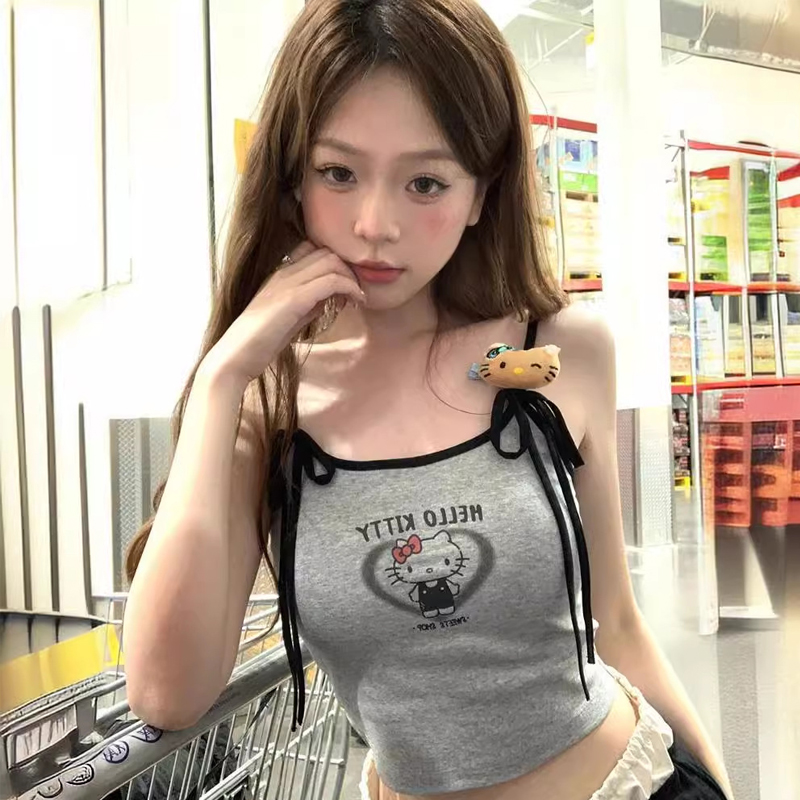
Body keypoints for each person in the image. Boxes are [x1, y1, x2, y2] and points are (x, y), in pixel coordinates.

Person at [122, 1, 733, 798]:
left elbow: (615, 624)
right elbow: (166, 693)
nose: (375, 225)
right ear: (292, 177)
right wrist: (221, 379)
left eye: (426, 182)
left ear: (482, 193)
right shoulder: (267, 406)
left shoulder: (561, 350)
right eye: (338, 173)